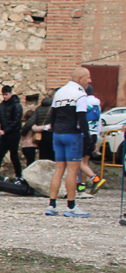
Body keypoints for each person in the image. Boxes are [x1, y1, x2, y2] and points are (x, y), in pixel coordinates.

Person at [43, 67, 92, 217]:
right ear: (80, 79)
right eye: (88, 78)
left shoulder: (60, 92)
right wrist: (88, 139)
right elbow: (82, 119)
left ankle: (51, 205)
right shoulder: (80, 94)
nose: (90, 81)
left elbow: (52, 116)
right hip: (72, 135)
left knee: (58, 170)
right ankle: (71, 207)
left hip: (58, 134)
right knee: (72, 171)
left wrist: (55, 131)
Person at [0, 85, 24, 178]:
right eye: (3, 95)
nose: (4, 97)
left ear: (11, 94)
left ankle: (18, 176)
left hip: (13, 134)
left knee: (14, 155)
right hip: (4, 134)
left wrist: (5, 131)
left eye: (6, 94)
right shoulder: (2, 105)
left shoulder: (16, 106)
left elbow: (16, 121)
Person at [76, 84, 106, 194]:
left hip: (84, 134)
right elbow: (99, 122)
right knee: (85, 163)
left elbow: (80, 118)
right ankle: (82, 187)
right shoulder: (97, 104)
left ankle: (96, 179)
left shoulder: (83, 102)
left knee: (77, 162)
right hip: (93, 134)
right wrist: (97, 138)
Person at [24, 96, 54, 161]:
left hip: (41, 135)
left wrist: (23, 132)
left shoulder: (38, 109)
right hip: (51, 134)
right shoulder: (53, 109)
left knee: (43, 155)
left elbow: (30, 121)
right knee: (52, 155)